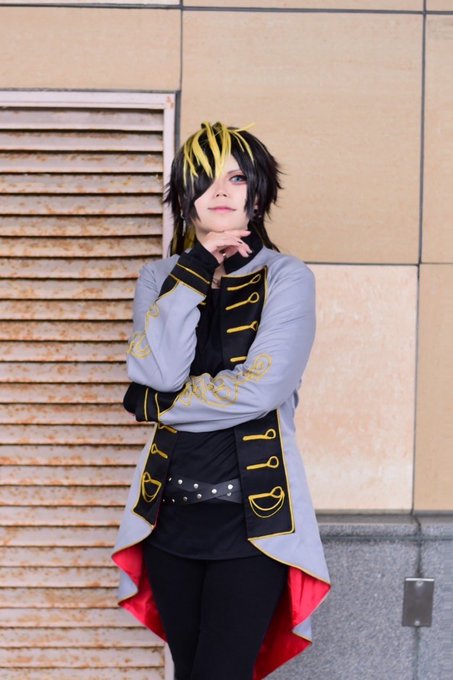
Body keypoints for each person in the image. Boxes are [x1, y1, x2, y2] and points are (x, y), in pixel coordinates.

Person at [112, 121, 330, 680]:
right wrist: (193, 272)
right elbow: (159, 368)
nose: (221, 191)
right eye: (204, 180)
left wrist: (157, 405)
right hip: (168, 519)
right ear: (185, 197)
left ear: (257, 192)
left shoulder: (287, 277)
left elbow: (261, 390)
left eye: (235, 177)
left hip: (252, 522)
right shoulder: (159, 277)